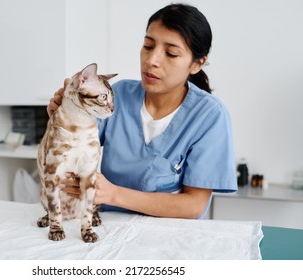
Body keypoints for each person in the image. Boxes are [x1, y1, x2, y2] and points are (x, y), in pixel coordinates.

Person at [47, 3, 237, 219]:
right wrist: (64, 115)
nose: (152, 61)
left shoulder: (209, 116)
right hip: (109, 228)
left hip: (169, 237)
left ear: (196, 64)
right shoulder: (116, 95)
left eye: (171, 53)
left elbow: (193, 205)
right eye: (148, 46)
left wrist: (113, 194)